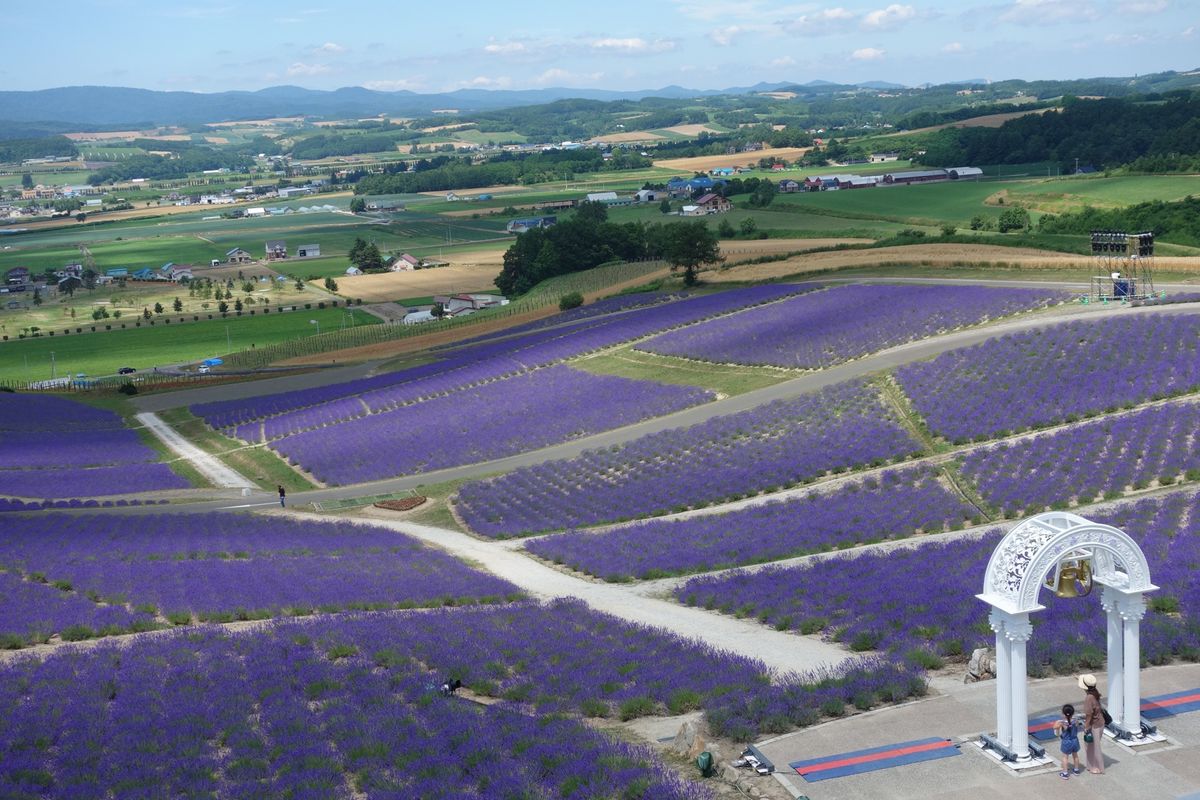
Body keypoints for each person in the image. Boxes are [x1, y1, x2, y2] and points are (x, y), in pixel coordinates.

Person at [1080, 673, 1105, 774]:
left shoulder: (1088, 698)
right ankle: (1092, 765)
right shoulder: (1095, 693)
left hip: (1094, 725)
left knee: (1092, 746)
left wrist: (1086, 727)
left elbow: (1089, 715)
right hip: (1100, 722)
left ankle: (1097, 767)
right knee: (1094, 745)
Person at [1054, 703, 1083, 779]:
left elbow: (1055, 728)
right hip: (1075, 740)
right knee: (1075, 755)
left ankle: (1065, 773)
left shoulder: (1062, 723)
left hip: (1066, 741)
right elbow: (1078, 726)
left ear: (1063, 713)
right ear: (1072, 713)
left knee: (1065, 757)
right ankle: (1076, 770)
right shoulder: (1076, 720)